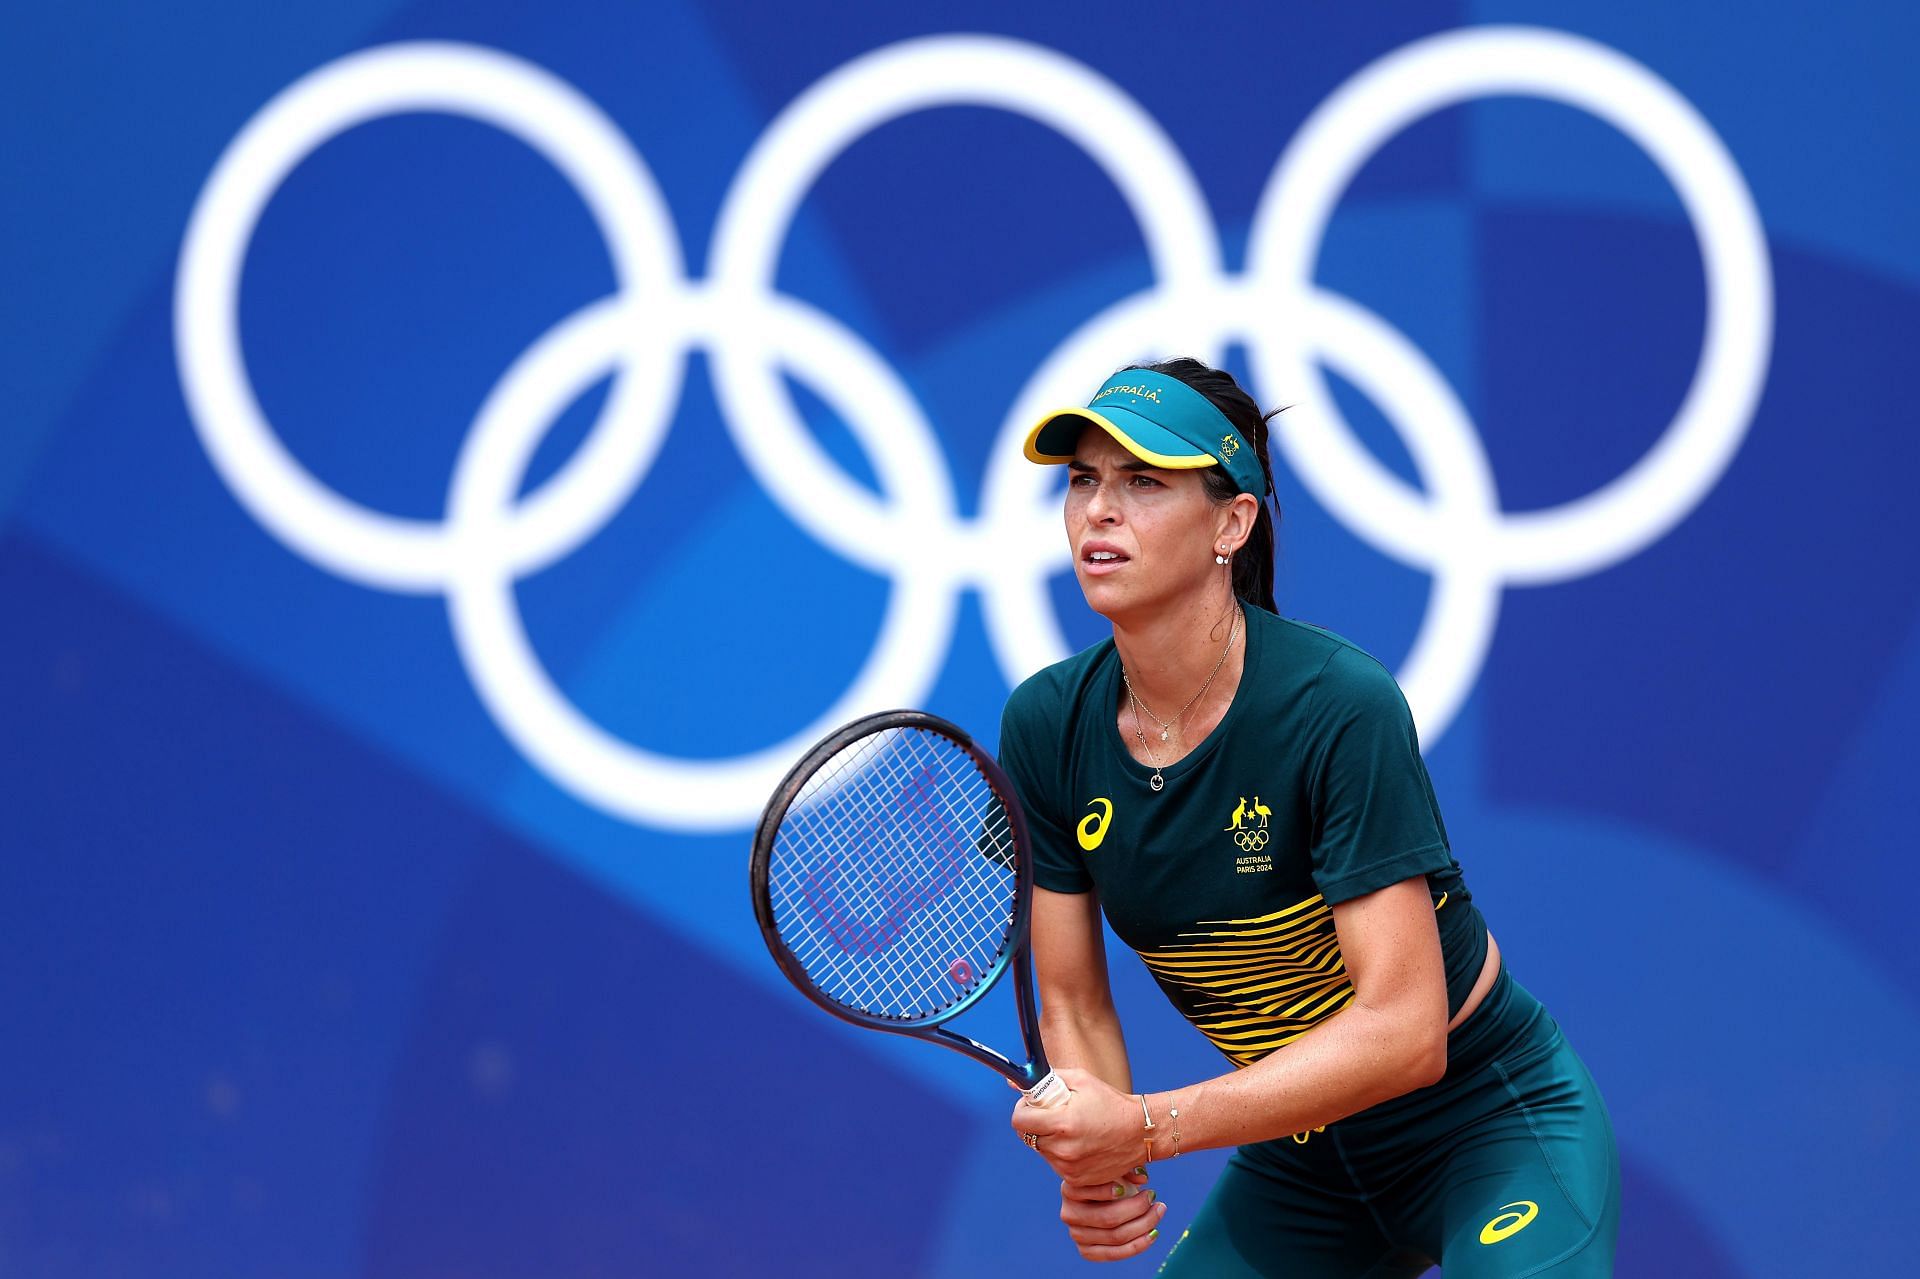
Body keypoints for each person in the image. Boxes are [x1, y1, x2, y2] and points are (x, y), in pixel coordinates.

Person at [1000, 359, 1619, 1276]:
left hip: (1484, 1120)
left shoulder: (1337, 704)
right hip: (1306, 1158)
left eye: (1143, 481)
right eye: (1083, 479)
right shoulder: (1047, 724)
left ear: (1232, 521)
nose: (1097, 509)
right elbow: (1076, 1001)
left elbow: (1405, 1035)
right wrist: (1104, 1162)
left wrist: (1143, 1126)